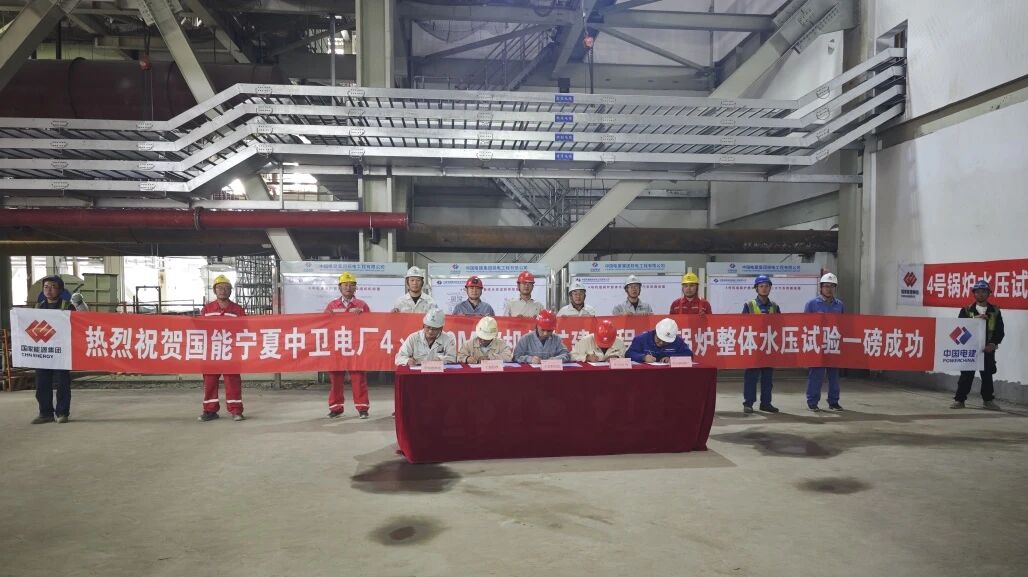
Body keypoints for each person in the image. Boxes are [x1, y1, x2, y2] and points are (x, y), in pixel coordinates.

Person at [952, 280, 1005, 410]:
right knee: (966, 375)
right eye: (978, 292)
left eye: (984, 291)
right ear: (974, 294)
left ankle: (988, 401)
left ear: (989, 293)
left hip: (987, 349)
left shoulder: (995, 311)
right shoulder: (966, 310)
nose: (980, 294)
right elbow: (959, 328)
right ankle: (959, 400)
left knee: (987, 375)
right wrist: (975, 319)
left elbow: (1000, 331)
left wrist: (992, 344)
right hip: (970, 349)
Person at [324, 272, 371, 419]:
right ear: (339, 287)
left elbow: (371, 324)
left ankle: (362, 408)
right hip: (337, 347)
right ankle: (336, 408)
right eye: (345, 285)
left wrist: (362, 316)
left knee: (358, 378)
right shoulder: (332, 305)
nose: (348, 287)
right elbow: (324, 324)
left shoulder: (362, 305)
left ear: (356, 287)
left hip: (356, 347)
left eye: (351, 285)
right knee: (336, 379)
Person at [199, 275, 246, 422]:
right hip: (212, 352)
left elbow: (245, 329)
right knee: (210, 381)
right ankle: (210, 410)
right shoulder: (207, 309)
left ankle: (236, 410)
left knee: (232, 381)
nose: (223, 290)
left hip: (231, 351)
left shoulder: (237, 310)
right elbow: (200, 329)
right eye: (219, 287)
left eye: (226, 288)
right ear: (214, 290)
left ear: (231, 291)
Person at [31, 276, 76, 424]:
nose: (49, 290)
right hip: (43, 351)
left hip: (61, 351)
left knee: (62, 383)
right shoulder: (38, 307)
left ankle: (62, 413)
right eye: (46, 287)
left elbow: (77, 325)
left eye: (53, 287)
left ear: (61, 290)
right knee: (42, 382)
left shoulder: (67, 306)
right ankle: (45, 413)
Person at [804, 273, 846, 412]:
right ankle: (812, 402)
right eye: (826, 286)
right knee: (816, 375)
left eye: (832, 286)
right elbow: (805, 325)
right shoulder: (811, 304)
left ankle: (833, 401)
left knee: (834, 376)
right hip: (817, 345)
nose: (829, 289)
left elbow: (843, 324)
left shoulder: (839, 305)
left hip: (833, 344)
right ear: (821, 287)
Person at [741, 275, 780, 414]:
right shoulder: (749, 305)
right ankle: (748, 403)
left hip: (768, 346)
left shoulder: (774, 306)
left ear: (770, 288)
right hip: (754, 346)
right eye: (761, 286)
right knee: (751, 377)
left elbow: (780, 326)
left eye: (767, 286)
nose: (764, 288)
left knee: (767, 378)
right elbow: (742, 325)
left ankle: (766, 403)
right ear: (756, 288)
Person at [626, 318, 692, 362]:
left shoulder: (678, 341)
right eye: (659, 339)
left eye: (665, 342)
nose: (661, 343)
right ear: (656, 332)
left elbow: (689, 355)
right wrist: (643, 357)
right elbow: (629, 354)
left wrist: (672, 358)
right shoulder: (642, 339)